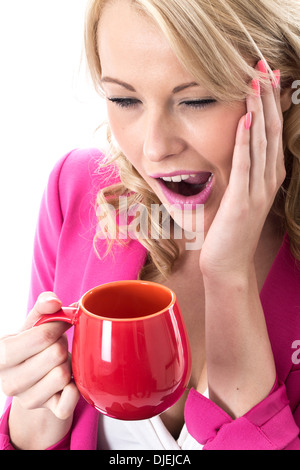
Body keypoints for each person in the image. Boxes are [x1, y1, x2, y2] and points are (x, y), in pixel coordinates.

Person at [0, 0, 300, 450]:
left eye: (196, 100)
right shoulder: (79, 191)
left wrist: (228, 274)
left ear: (283, 91)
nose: (155, 147)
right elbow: (38, 428)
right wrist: (33, 424)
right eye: (124, 99)